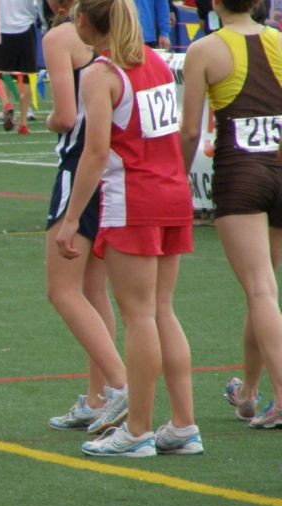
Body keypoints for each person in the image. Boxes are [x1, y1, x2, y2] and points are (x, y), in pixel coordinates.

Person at [56, 0, 204, 457]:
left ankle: (137, 430)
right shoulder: (155, 60)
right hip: (171, 192)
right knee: (162, 310)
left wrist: (69, 218)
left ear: (83, 21)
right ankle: (182, 423)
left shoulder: (101, 75)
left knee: (139, 315)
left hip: (134, 199)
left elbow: (96, 152)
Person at [180, 0, 282, 429]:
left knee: (260, 289)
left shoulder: (205, 49)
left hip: (241, 173)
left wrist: (175, 178)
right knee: (263, 292)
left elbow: (188, 129)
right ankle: (250, 394)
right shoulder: (278, 39)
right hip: (279, 168)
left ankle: (279, 397)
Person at [42, 0, 129, 434]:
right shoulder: (125, 36)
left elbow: (63, 115)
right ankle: (99, 399)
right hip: (115, 169)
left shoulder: (59, 37)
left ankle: (119, 387)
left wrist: (45, 122)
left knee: (61, 290)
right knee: (95, 291)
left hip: (80, 165)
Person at [0, 0, 38, 134]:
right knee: (26, 76)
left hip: (2, 26)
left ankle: (7, 103)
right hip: (25, 25)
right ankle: (23, 122)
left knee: (1, 73)